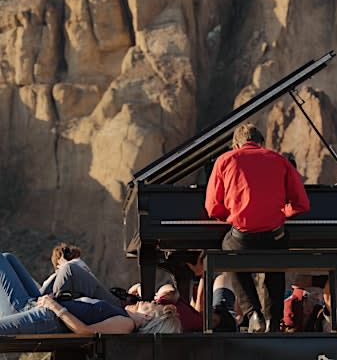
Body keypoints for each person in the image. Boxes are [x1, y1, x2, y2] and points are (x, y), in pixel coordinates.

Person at [205, 123, 310, 333]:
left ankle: (253, 313)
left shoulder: (225, 160)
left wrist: (234, 215)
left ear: (236, 144)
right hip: (274, 237)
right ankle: (273, 321)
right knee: (276, 263)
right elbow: (302, 205)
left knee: (230, 253)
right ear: (261, 143)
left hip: (242, 238)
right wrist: (282, 212)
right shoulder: (279, 160)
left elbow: (212, 208)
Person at [0, 253, 181, 334]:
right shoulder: (123, 315)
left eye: (155, 305)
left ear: (149, 317)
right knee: (8, 257)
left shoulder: (126, 324)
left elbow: (84, 331)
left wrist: (55, 307)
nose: (152, 301)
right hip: (41, 307)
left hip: (45, 316)